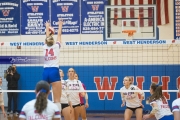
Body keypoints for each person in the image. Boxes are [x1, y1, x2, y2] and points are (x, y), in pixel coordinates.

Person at [43, 19, 63, 111]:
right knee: (57, 100)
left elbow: (47, 37)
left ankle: (43, 116)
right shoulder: (57, 46)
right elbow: (59, 35)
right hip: (54, 71)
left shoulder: (44, 47)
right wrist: (60, 25)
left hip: (45, 72)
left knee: (43, 98)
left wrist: (47, 27)